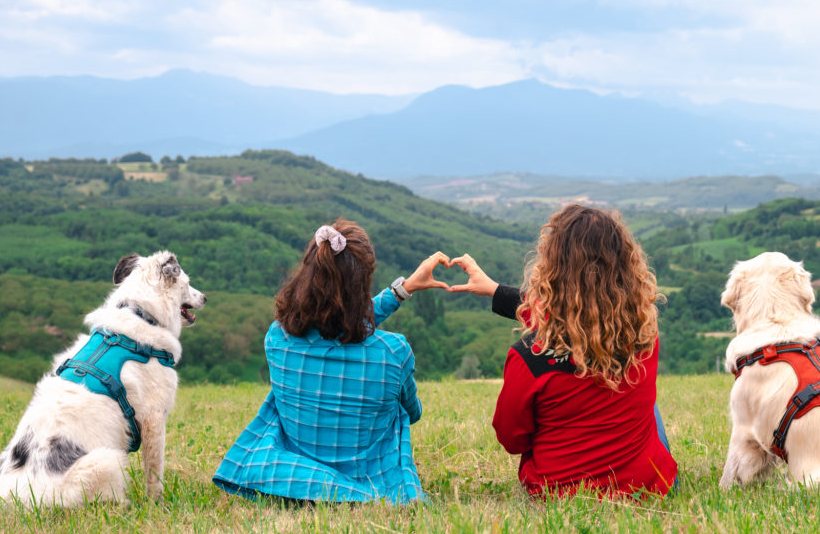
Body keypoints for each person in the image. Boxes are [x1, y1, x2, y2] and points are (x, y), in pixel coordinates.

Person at [213, 220, 450, 505]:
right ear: (363, 284)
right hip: (370, 479)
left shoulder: (277, 339)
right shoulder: (394, 351)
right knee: (394, 402)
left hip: (294, 474)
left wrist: (402, 289)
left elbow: (338, 324)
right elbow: (412, 412)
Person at [449, 204, 677, 498]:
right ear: (626, 267)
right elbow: (583, 321)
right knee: (649, 408)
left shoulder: (527, 359)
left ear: (551, 268)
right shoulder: (644, 336)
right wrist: (495, 291)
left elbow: (512, 439)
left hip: (559, 493)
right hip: (646, 486)